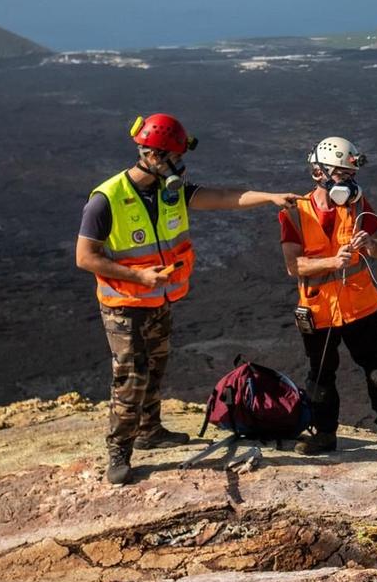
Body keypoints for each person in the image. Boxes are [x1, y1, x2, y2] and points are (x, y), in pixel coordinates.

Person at [76, 113, 298, 486]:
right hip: (124, 305)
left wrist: (269, 197)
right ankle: (119, 450)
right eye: (174, 158)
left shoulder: (171, 191)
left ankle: (150, 431)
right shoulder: (106, 199)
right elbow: (85, 257)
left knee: (156, 367)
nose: (179, 166)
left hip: (159, 300)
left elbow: (226, 197)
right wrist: (138, 276)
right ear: (153, 156)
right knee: (132, 377)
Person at [280, 135, 377, 462]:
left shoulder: (360, 206)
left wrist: (369, 246)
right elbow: (293, 266)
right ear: (318, 173)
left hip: (360, 306)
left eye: (350, 176)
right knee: (320, 377)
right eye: (340, 175)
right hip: (318, 311)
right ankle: (324, 435)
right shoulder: (295, 213)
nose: (347, 182)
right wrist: (330, 262)